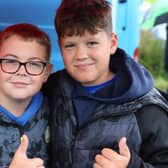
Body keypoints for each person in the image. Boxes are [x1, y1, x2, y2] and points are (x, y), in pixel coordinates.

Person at [42, 0, 168, 168]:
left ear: (112, 43)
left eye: (92, 43)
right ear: (60, 46)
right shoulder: (51, 90)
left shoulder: (147, 108)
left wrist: (132, 166)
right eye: (70, 45)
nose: (81, 55)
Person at [0, 23, 52, 168]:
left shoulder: (57, 112)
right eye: (10, 61)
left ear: (46, 72)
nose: (21, 72)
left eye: (34, 64)